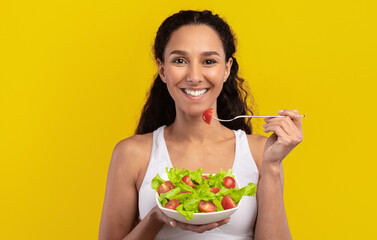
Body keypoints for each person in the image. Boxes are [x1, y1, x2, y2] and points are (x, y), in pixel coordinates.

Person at [99, 10, 302, 240]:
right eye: (179, 61)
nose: (194, 76)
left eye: (208, 61)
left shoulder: (260, 152)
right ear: (162, 70)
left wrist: (273, 166)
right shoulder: (131, 154)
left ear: (226, 69)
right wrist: (157, 217)